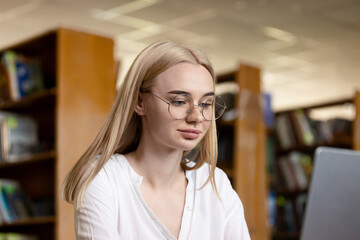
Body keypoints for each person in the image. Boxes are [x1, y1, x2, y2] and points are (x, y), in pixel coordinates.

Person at [62, 40, 250, 240]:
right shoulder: (103, 179)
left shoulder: (215, 184)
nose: (196, 117)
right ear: (140, 102)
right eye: (179, 101)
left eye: (206, 104)